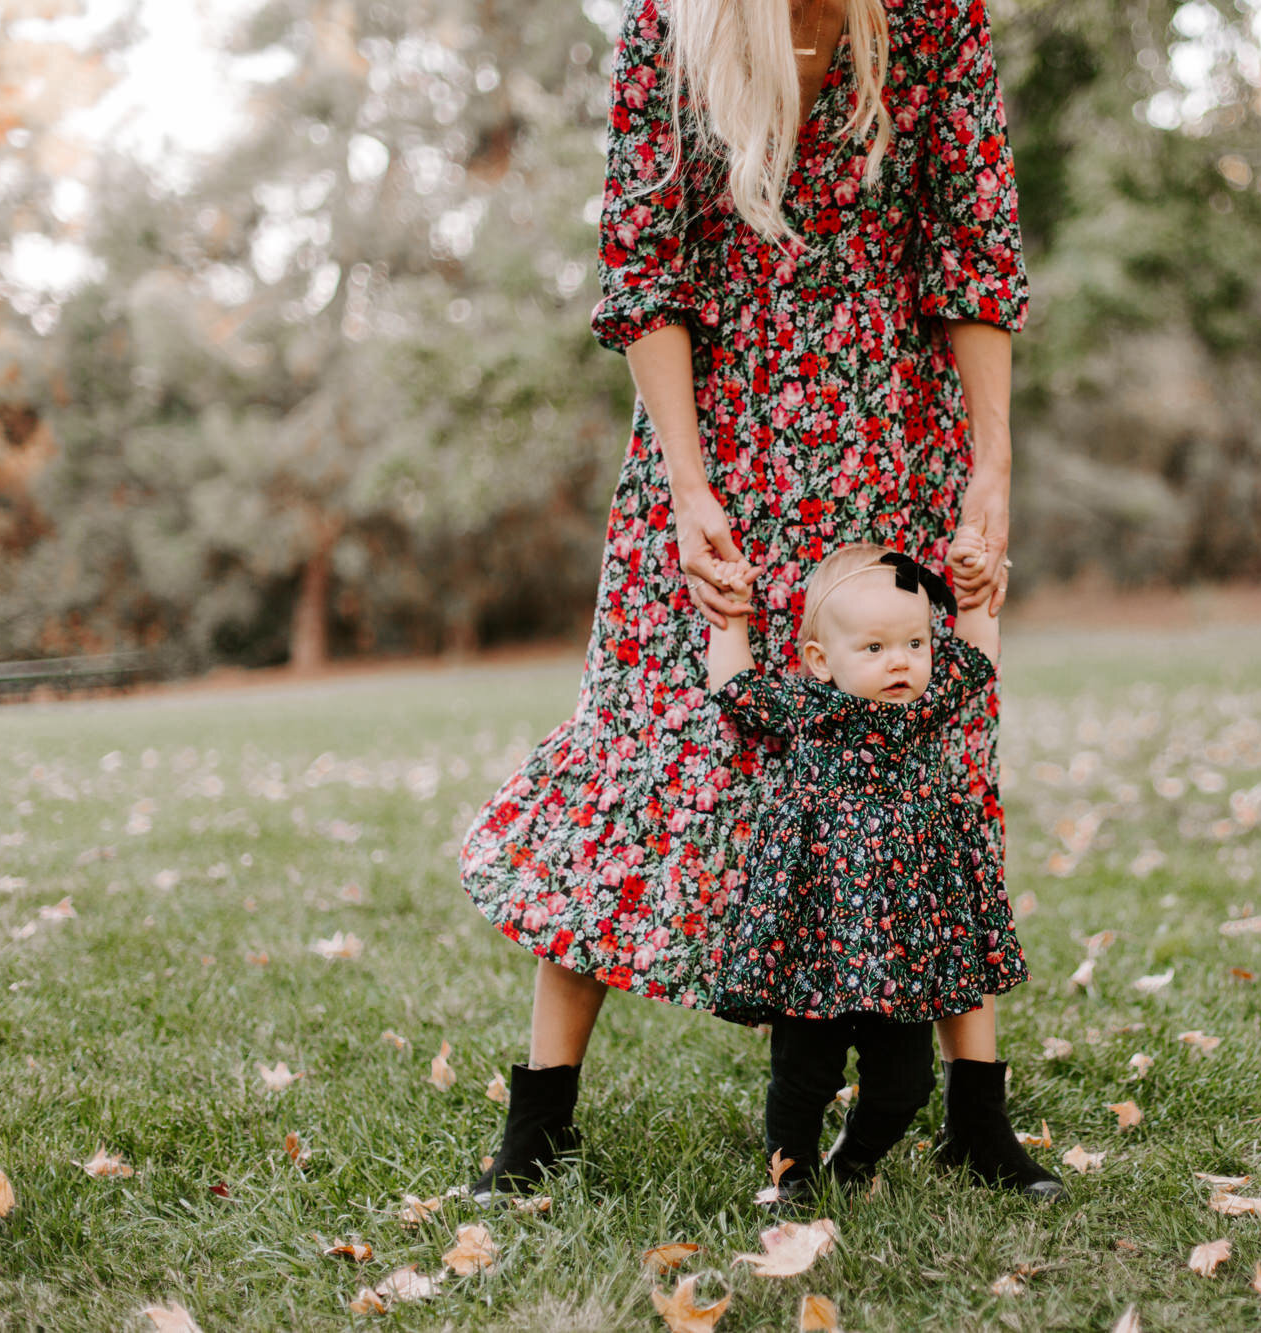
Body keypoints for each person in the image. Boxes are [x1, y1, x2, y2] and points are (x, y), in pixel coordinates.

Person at [455, 0, 1062, 1202]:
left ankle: (975, 1120)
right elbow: (644, 263)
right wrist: (684, 484)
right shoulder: (668, 25)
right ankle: (539, 1123)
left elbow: (974, 243)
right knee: (638, 753)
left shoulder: (935, 18)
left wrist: (989, 467)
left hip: (891, 440)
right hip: (717, 450)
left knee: (932, 759)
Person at [706, 539, 1022, 1202]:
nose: (900, 661)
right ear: (822, 661)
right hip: (819, 937)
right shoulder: (810, 711)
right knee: (803, 1072)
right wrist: (730, 617)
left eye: (913, 642)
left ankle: (855, 1156)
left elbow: (975, 657)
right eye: (875, 649)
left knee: (907, 1082)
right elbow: (734, 688)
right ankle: (791, 1172)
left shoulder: (924, 712)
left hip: (905, 940)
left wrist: (976, 595)